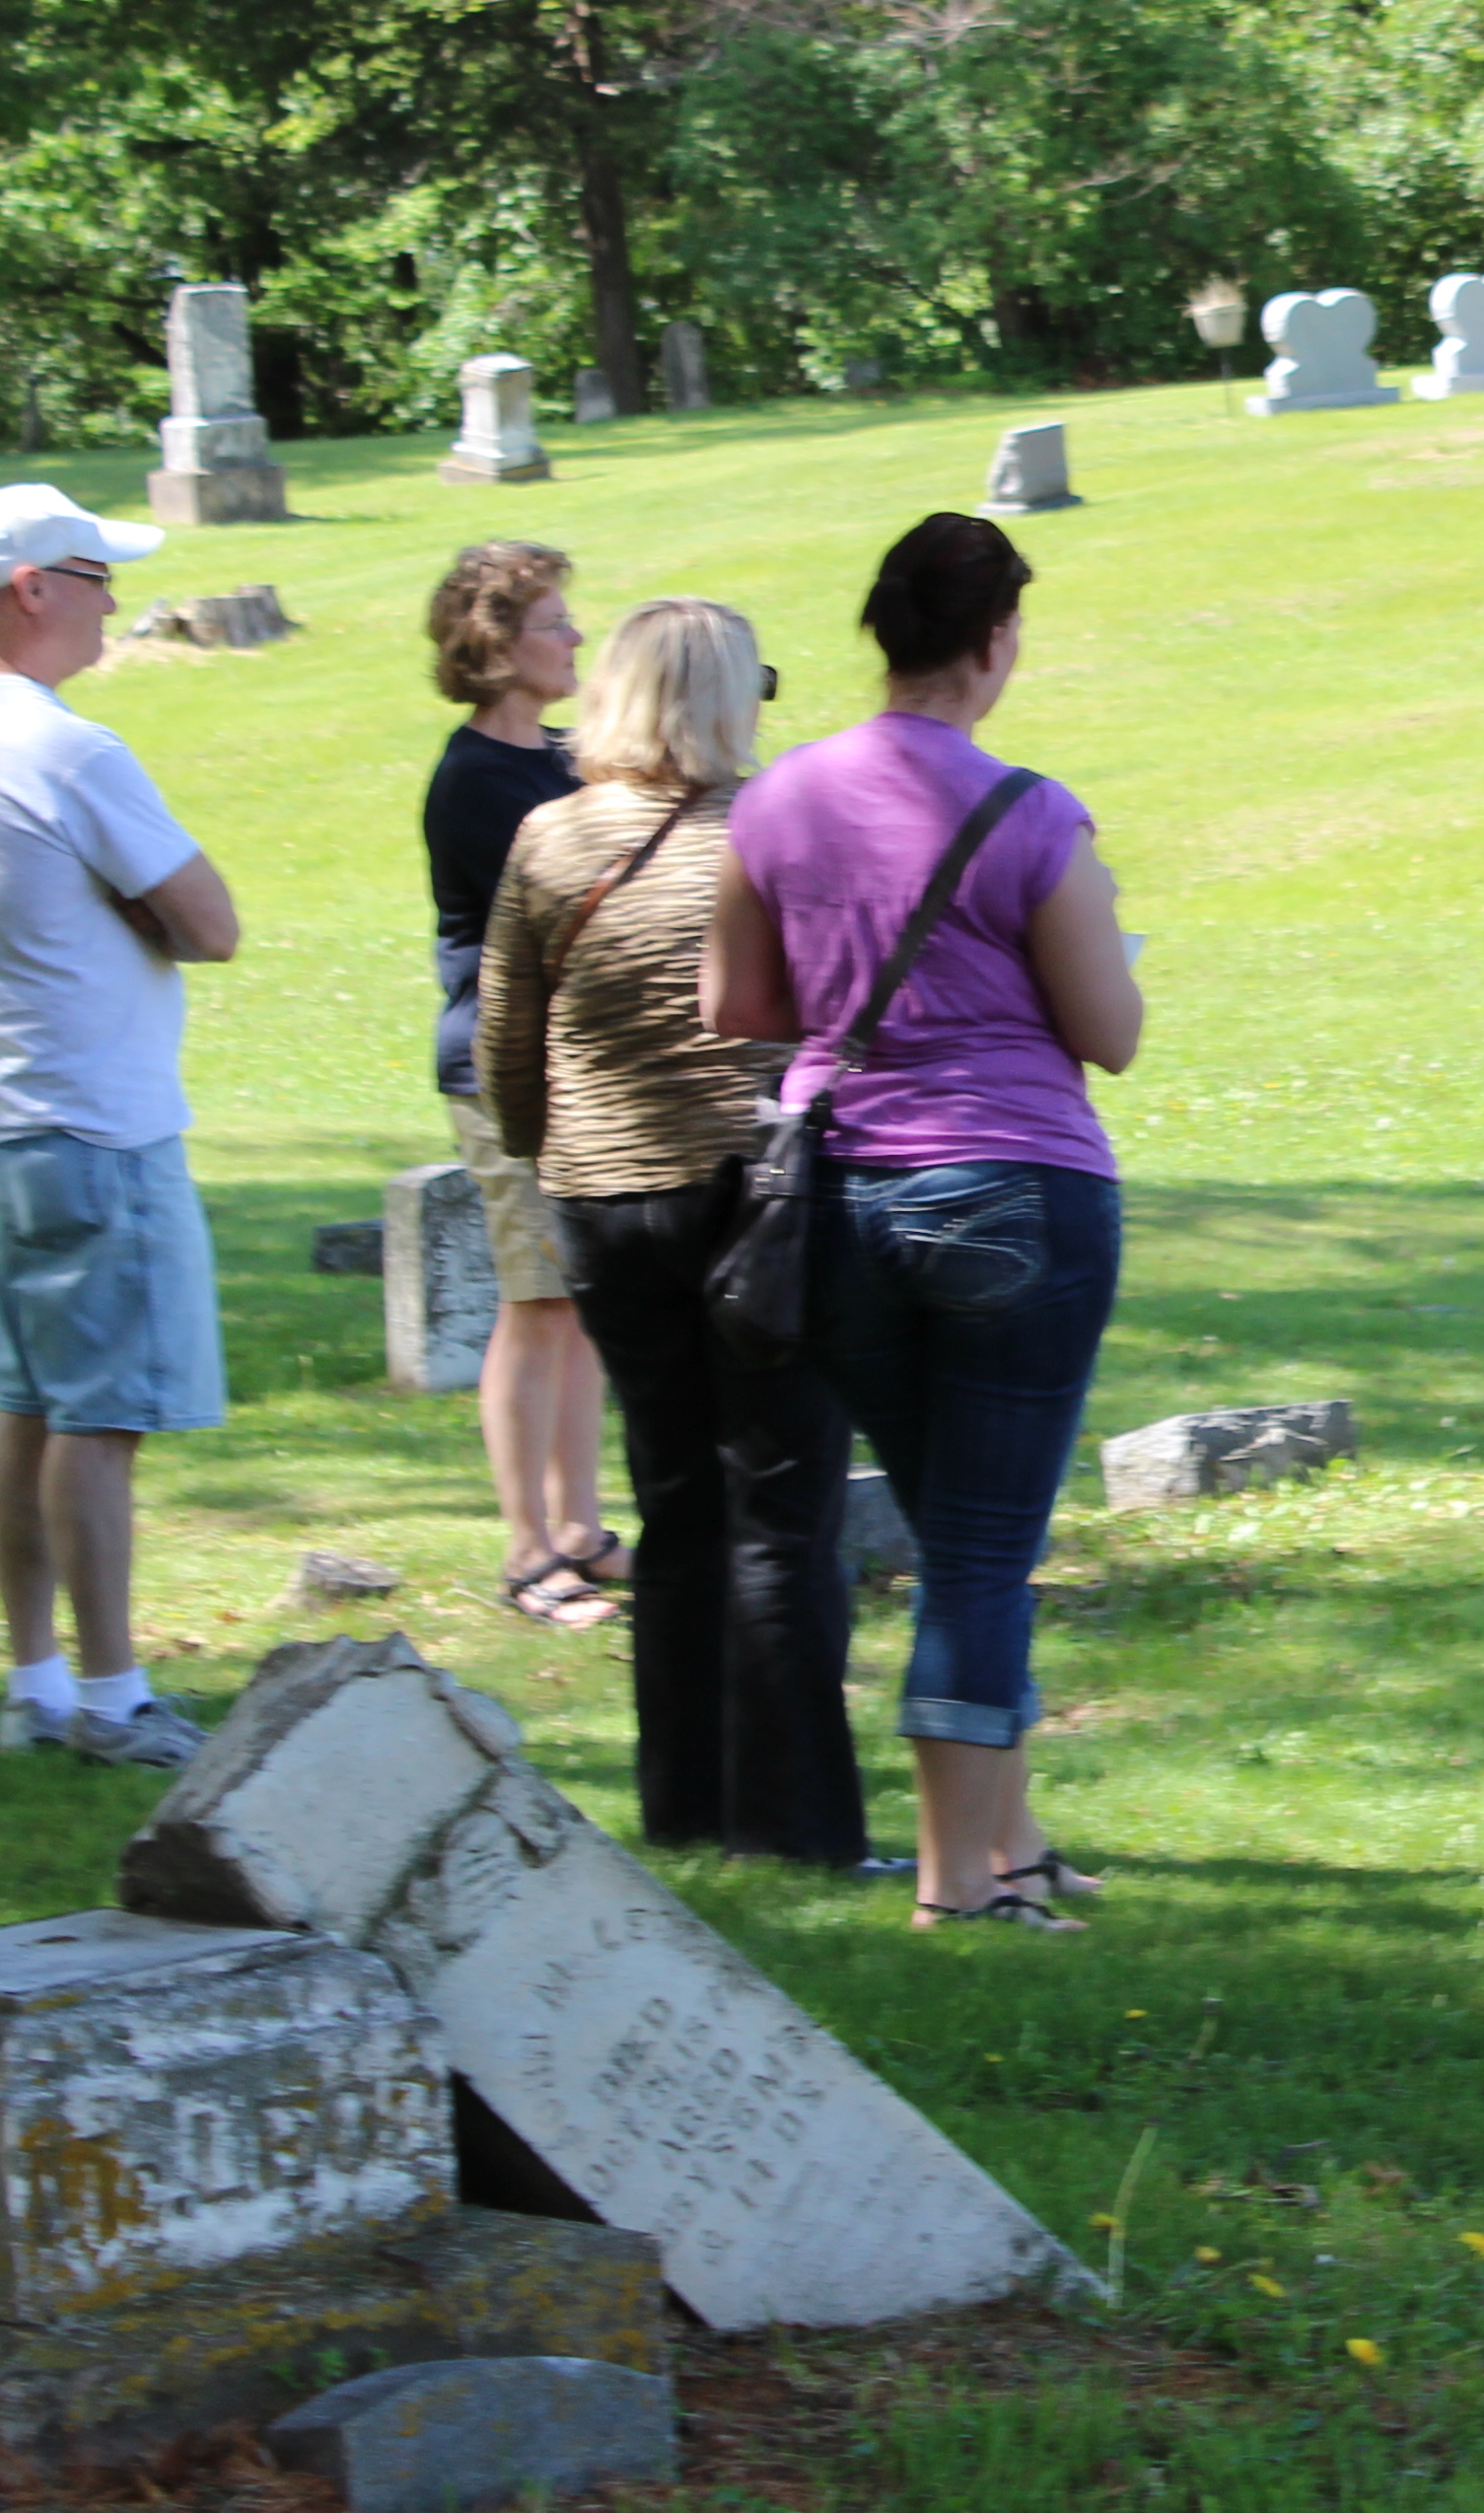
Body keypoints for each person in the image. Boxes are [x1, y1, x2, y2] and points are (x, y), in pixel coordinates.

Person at [710, 514, 1139, 1933]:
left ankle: (1007, 1841)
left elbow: (740, 1009)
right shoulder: (1028, 812)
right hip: (1014, 1192)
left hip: (836, 1206)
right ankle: (962, 1886)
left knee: (964, 1520)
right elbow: (1110, 1029)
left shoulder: (776, 802)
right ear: (996, 640)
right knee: (979, 1552)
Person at [482, 597, 871, 1870]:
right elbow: (833, 1017)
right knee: (780, 1509)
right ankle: (795, 1824)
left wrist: (557, 1154)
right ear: (723, 700)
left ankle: (687, 1806)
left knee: (674, 1503)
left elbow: (508, 1036)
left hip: (605, 1205)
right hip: (756, 1199)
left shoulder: (546, 835)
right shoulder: (775, 831)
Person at [0, 481, 244, 1770]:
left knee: (29, 1402)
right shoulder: (67, 749)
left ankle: (33, 1683)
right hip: (96, 1118)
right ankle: (111, 1698)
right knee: (98, 1416)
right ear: (30, 588)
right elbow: (209, 921)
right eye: (95, 576)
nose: (112, 603)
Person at [422, 538, 624, 1626]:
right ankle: (525, 1551)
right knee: (534, 1302)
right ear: (497, 649)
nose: (576, 638)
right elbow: (572, 906)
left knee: (577, 1304)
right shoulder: (476, 783)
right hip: (503, 1070)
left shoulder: (557, 758)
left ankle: (580, 1528)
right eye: (554, 623)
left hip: (579, 1065)